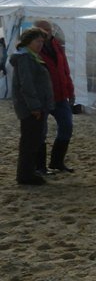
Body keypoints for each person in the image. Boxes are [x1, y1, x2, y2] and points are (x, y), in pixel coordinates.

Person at [10, 27, 54, 185]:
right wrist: (35, 107)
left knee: (33, 141)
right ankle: (26, 175)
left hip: (37, 106)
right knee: (30, 142)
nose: (41, 44)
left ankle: (28, 173)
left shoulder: (32, 57)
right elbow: (26, 85)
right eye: (38, 41)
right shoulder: (25, 58)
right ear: (28, 42)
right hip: (30, 108)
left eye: (42, 41)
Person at [33, 20, 76, 173]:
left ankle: (57, 162)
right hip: (43, 97)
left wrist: (70, 90)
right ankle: (40, 166)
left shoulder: (56, 44)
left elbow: (64, 69)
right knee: (41, 131)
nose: (47, 33)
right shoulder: (33, 49)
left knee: (67, 126)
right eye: (44, 30)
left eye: (48, 30)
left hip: (60, 95)